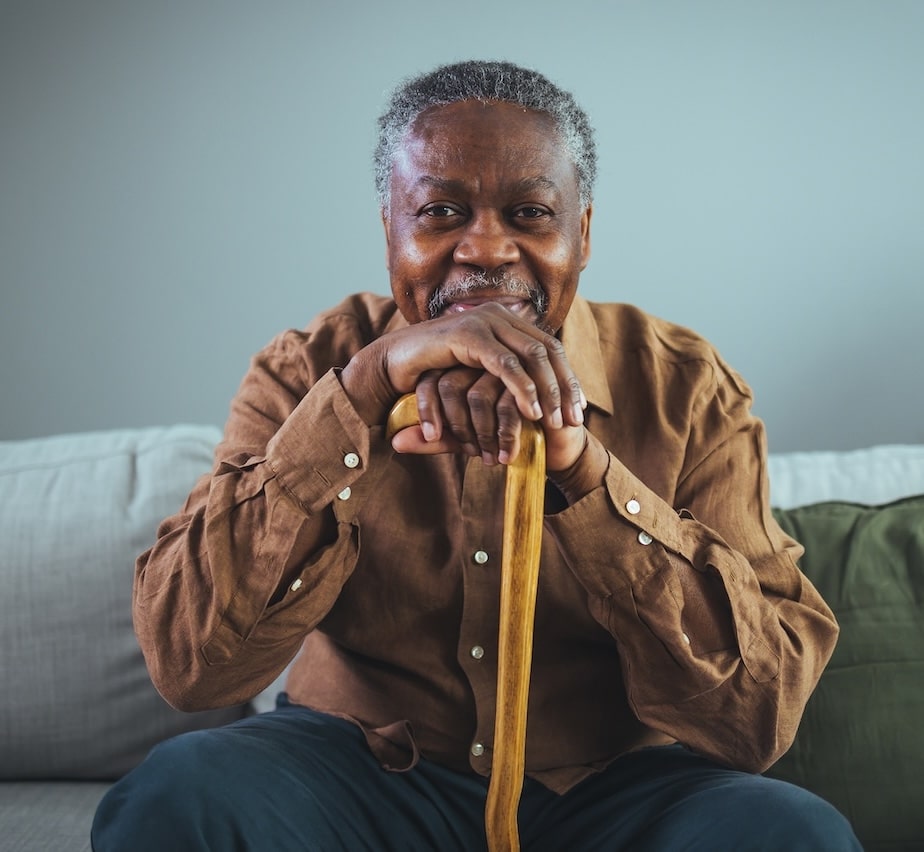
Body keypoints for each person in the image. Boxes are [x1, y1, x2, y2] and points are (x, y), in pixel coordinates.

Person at [92, 60, 860, 850]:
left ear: (582, 234)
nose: (486, 248)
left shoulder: (688, 386)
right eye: (440, 212)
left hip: (616, 788)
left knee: (791, 833)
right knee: (177, 796)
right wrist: (361, 391)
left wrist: (582, 470)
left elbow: (758, 718)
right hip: (358, 773)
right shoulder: (305, 368)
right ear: (390, 228)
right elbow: (188, 665)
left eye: (529, 213)